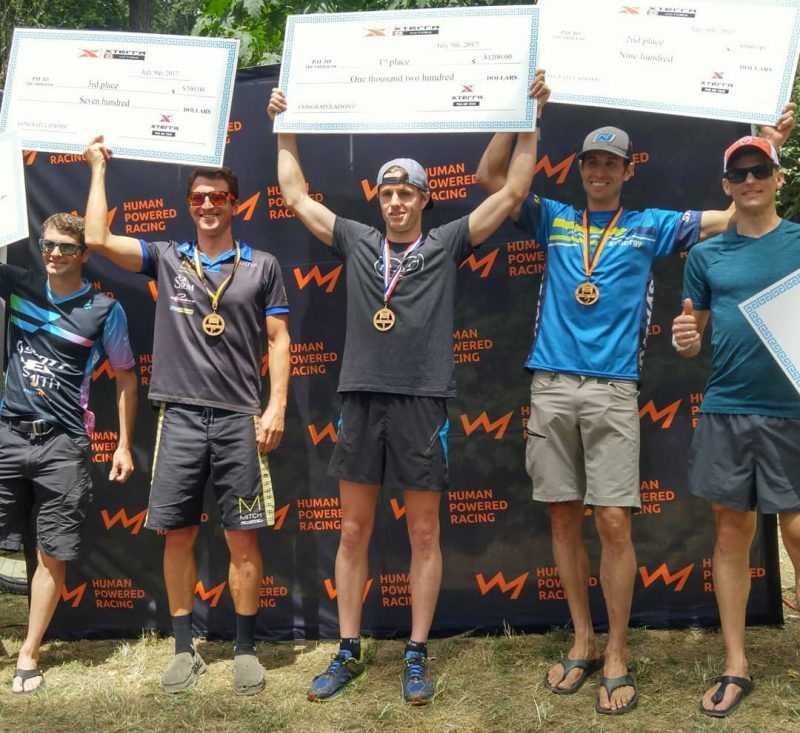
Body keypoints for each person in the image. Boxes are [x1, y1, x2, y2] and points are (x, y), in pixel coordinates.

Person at [476, 105, 796, 714]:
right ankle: (582, 640)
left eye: (611, 163)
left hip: (614, 388)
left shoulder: (651, 225)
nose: (600, 171)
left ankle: (617, 652)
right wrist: (521, 117)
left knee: (614, 523)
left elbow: (738, 214)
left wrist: (768, 144)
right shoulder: (553, 217)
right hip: (550, 386)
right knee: (563, 519)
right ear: (579, 169)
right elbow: (493, 181)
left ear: (627, 171)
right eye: (591, 162)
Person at [267, 73, 548, 705]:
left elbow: (515, 191)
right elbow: (292, 195)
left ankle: (416, 653)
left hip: (423, 402)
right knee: (353, 532)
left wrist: (527, 115)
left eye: (407, 193)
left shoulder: (446, 241)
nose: (396, 202)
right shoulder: (357, 240)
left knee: (425, 534)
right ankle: (348, 650)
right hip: (362, 397)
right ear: (379, 199)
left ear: (424, 199)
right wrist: (284, 123)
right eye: (388, 192)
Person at [82, 138, 291, 696]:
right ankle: (183, 649)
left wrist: (276, 405)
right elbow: (97, 239)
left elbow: (278, 339)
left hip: (240, 418)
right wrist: (98, 168)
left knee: (244, 538)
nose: (208, 205)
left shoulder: (262, 266)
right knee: (177, 535)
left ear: (235, 203)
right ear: (189, 204)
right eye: (199, 197)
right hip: (177, 417)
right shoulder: (168, 257)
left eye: (219, 196)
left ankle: (244, 649)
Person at [671, 134, 800, 718]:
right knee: (731, 537)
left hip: (792, 412)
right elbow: (691, 338)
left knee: (797, 533)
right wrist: (686, 339)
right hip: (727, 408)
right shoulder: (707, 257)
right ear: (726, 185)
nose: (750, 180)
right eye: (739, 173)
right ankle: (735, 663)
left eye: (760, 170)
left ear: (777, 177)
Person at [0, 213, 137, 693]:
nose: (54, 254)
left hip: (64, 444)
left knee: (51, 555)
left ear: (85, 253)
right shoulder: (18, 284)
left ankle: (29, 654)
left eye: (65, 247)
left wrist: (122, 443)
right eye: (47, 245)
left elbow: (125, 376)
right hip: (8, 435)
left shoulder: (104, 309)